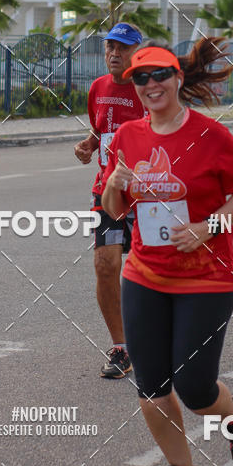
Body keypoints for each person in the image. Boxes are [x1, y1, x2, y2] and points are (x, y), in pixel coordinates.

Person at [102, 39, 233, 466]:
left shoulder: (212, 135)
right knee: (152, 389)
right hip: (145, 276)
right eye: (140, 78)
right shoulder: (129, 137)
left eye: (159, 75)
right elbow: (115, 212)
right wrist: (113, 186)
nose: (150, 85)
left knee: (194, 389)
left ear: (177, 78)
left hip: (205, 280)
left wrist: (209, 226)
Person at [74, 23, 145, 378]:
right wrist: (88, 145)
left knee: (152, 273)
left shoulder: (148, 88)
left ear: (136, 52)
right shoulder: (97, 88)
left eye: (123, 48)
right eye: (110, 47)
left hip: (148, 199)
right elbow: (100, 130)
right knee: (105, 265)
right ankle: (122, 348)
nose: (114, 54)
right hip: (107, 193)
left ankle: (166, 335)